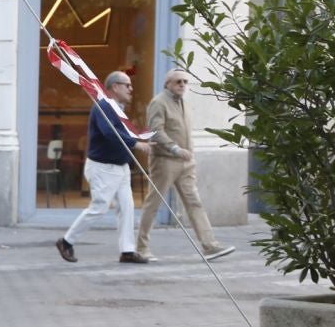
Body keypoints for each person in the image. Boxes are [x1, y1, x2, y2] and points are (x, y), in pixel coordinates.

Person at [134, 69, 236, 263]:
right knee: (153, 203)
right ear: (167, 84)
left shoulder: (185, 104)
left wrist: (189, 153)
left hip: (186, 162)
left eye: (185, 82)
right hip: (165, 160)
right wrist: (174, 148)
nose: (182, 85)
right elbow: (156, 130)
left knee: (194, 202)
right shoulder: (159, 102)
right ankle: (141, 248)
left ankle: (209, 245)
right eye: (178, 81)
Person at [56, 70, 158, 265]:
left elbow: (120, 133)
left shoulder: (116, 108)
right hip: (104, 168)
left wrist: (138, 139)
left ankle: (127, 251)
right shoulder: (104, 106)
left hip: (120, 167)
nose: (131, 89)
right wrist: (136, 144)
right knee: (99, 207)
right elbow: (110, 133)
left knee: (126, 208)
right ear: (115, 87)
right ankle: (66, 241)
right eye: (127, 85)